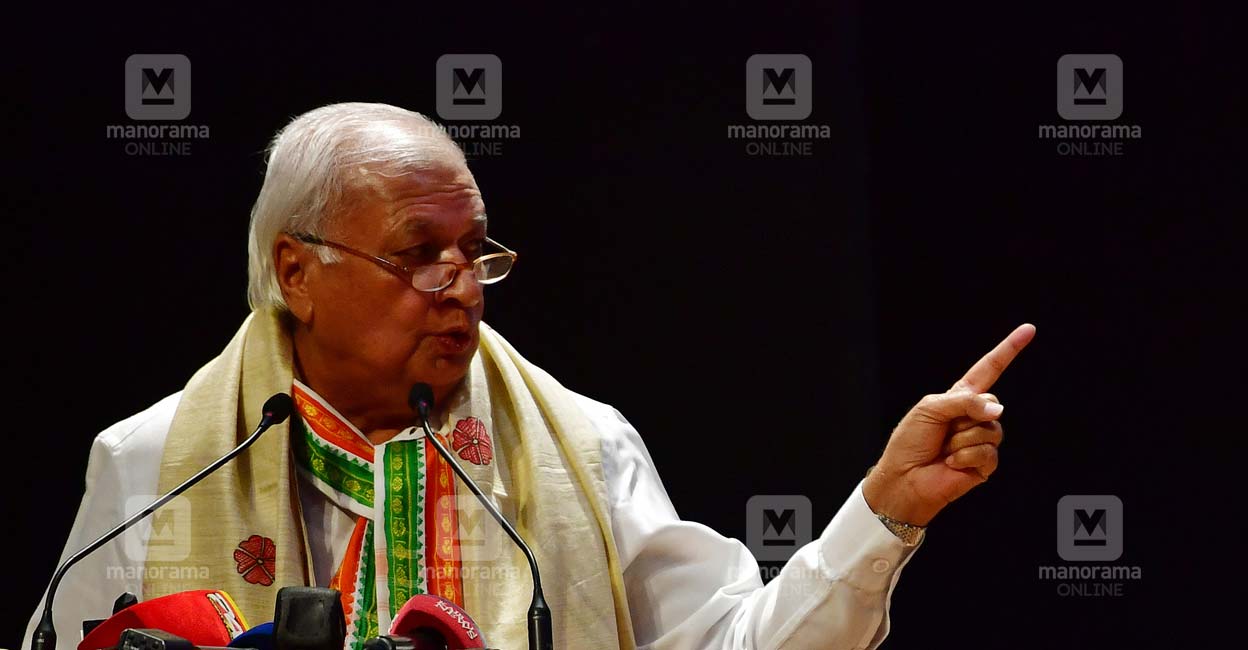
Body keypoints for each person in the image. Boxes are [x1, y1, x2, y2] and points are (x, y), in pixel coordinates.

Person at [26, 102, 1035, 650]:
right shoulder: (157, 460)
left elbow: (741, 644)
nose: (461, 286)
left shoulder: (579, 448)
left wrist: (883, 511)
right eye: (421, 252)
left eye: (476, 252)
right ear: (298, 270)